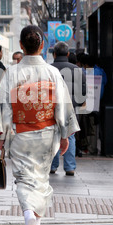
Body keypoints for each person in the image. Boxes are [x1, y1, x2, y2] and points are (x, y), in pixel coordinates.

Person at [0, 26, 80, 225]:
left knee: (24, 179)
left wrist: (2, 135)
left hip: (20, 132)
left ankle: (29, 221)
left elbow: (4, 106)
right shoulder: (52, 73)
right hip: (46, 132)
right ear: (42, 46)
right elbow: (62, 106)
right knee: (42, 179)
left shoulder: (12, 73)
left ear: (21, 46)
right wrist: (65, 135)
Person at [50, 42, 86, 176]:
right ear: (68, 54)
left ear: (54, 54)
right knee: (70, 136)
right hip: (71, 108)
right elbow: (83, 90)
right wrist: (76, 104)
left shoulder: (49, 68)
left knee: (53, 136)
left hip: (52, 108)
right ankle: (70, 167)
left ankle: (52, 166)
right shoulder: (77, 69)